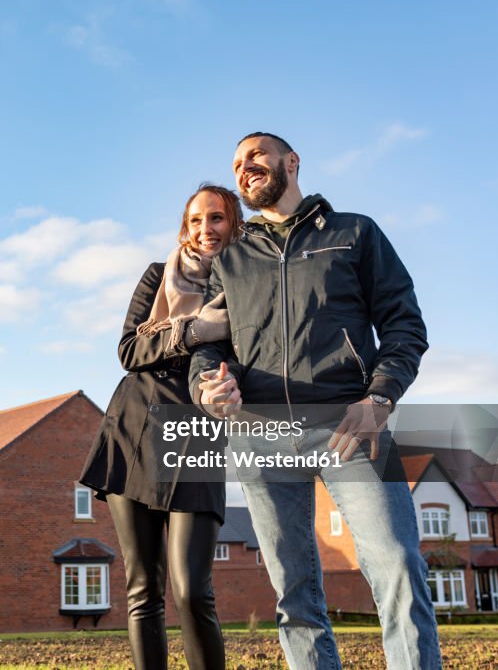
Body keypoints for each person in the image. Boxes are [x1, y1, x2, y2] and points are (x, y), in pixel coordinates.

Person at [189, 132, 442, 669]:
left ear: (292, 162)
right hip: (260, 434)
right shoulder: (231, 258)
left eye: (255, 155)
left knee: (397, 563)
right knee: (293, 589)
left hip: (349, 424)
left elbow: (404, 325)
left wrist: (379, 397)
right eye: (236, 163)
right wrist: (209, 385)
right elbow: (208, 346)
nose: (244, 167)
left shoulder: (355, 233)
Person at [80, 183, 243, 670]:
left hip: (197, 431)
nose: (205, 229)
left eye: (215, 218)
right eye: (195, 220)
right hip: (134, 426)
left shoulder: (249, 284)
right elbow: (130, 350)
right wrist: (192, 332)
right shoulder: (158, 275)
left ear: (233, 223)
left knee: (193, 590)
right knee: (142, 589)